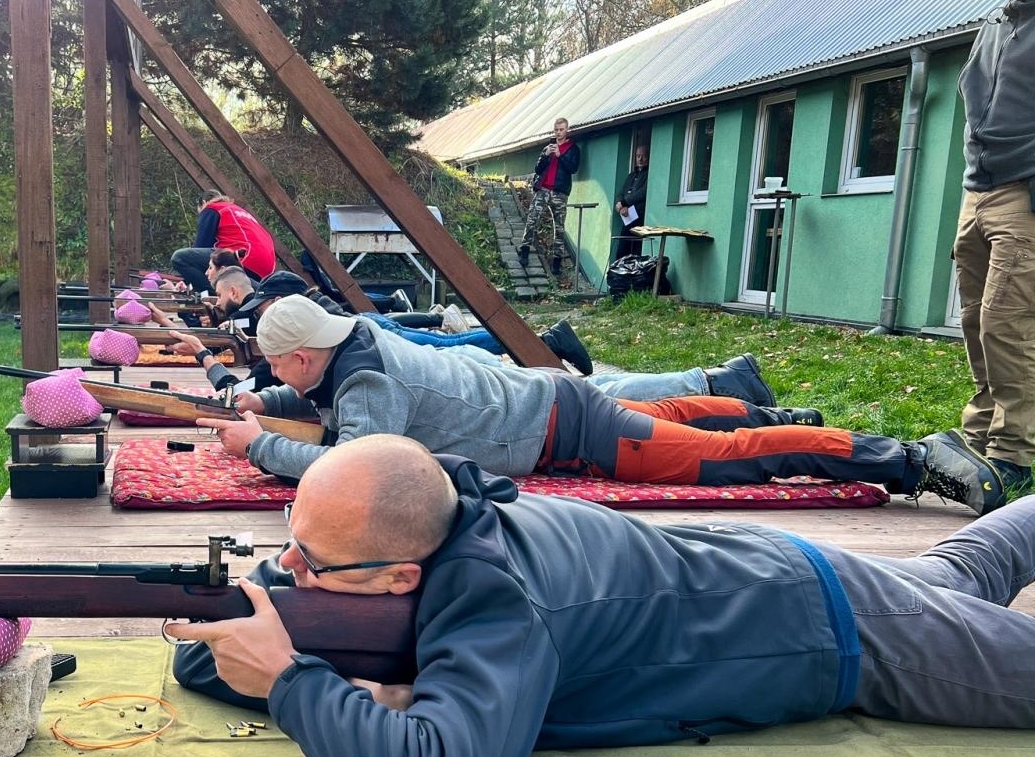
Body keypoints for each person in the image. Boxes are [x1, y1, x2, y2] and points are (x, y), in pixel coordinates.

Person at [167, 435, 1035, 757]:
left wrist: (291, 681)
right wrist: (277, 625)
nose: (286, 568)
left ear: (400, 577)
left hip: (835, 630)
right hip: (774, 573)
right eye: (289, 537)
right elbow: (208, 652)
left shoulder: (495, 603)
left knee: (982, 621)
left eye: (308, 562)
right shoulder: (444, 518)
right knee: (965, 568)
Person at [198, 295, 1006, 514]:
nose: (276, 377)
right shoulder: (350, 350)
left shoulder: (365, 385)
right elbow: (303, 394)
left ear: (305, 355)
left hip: (566, 427)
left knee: (716, 463)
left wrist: (259, 446)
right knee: (696, 423)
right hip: (553, 403)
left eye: (278, 367)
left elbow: (351, 473)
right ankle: (771, 416)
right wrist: (260, 406)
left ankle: (906, 461)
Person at [174, 272, 791, 407]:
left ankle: (719, 387)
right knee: (599, 392)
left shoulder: (347, 363)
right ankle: (721, 383)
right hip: (467, 380)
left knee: (605, 399)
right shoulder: (331, 344)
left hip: (481, 393)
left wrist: (209, 363)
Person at [953, 0, 1035, 494]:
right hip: (978, 191)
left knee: (1008, 322)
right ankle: (980, 440)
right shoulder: (1001, 18)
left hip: (1025, 194)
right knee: (976, 322)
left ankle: (1015, 454)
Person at [169, 190, 277, 292]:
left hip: (243, 256)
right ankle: (255, 290)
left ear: (203, 202)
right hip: (266, 268)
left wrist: (190, 279)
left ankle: (215, 293)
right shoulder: (237, 210)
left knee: (180, 258)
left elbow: (201, 245)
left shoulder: (212, 208)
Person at [518, 118, 580, 276]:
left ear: (567, 130)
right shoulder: (548, 148)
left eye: (561, 129)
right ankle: (524, 249)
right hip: (543, 189)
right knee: (532, 218)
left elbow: (573, 168)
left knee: (559, 227)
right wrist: (545, 155)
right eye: (556, 130)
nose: (559, 132)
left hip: (560, 192)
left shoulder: (573, 149)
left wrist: (560, 155)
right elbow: (538, 169)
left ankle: (557, 262)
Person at [611, 145, 649, 261]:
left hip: (640, 219)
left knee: (635, 254)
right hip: (627, 218)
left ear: (648, 158)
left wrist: (624, 202)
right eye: (638, 156)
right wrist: (620, 207)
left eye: (643, 156)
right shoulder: (631, 176)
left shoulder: (649, 174)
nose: (640, 159)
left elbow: (643, 192)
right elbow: (620, 193)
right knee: (621, 252)